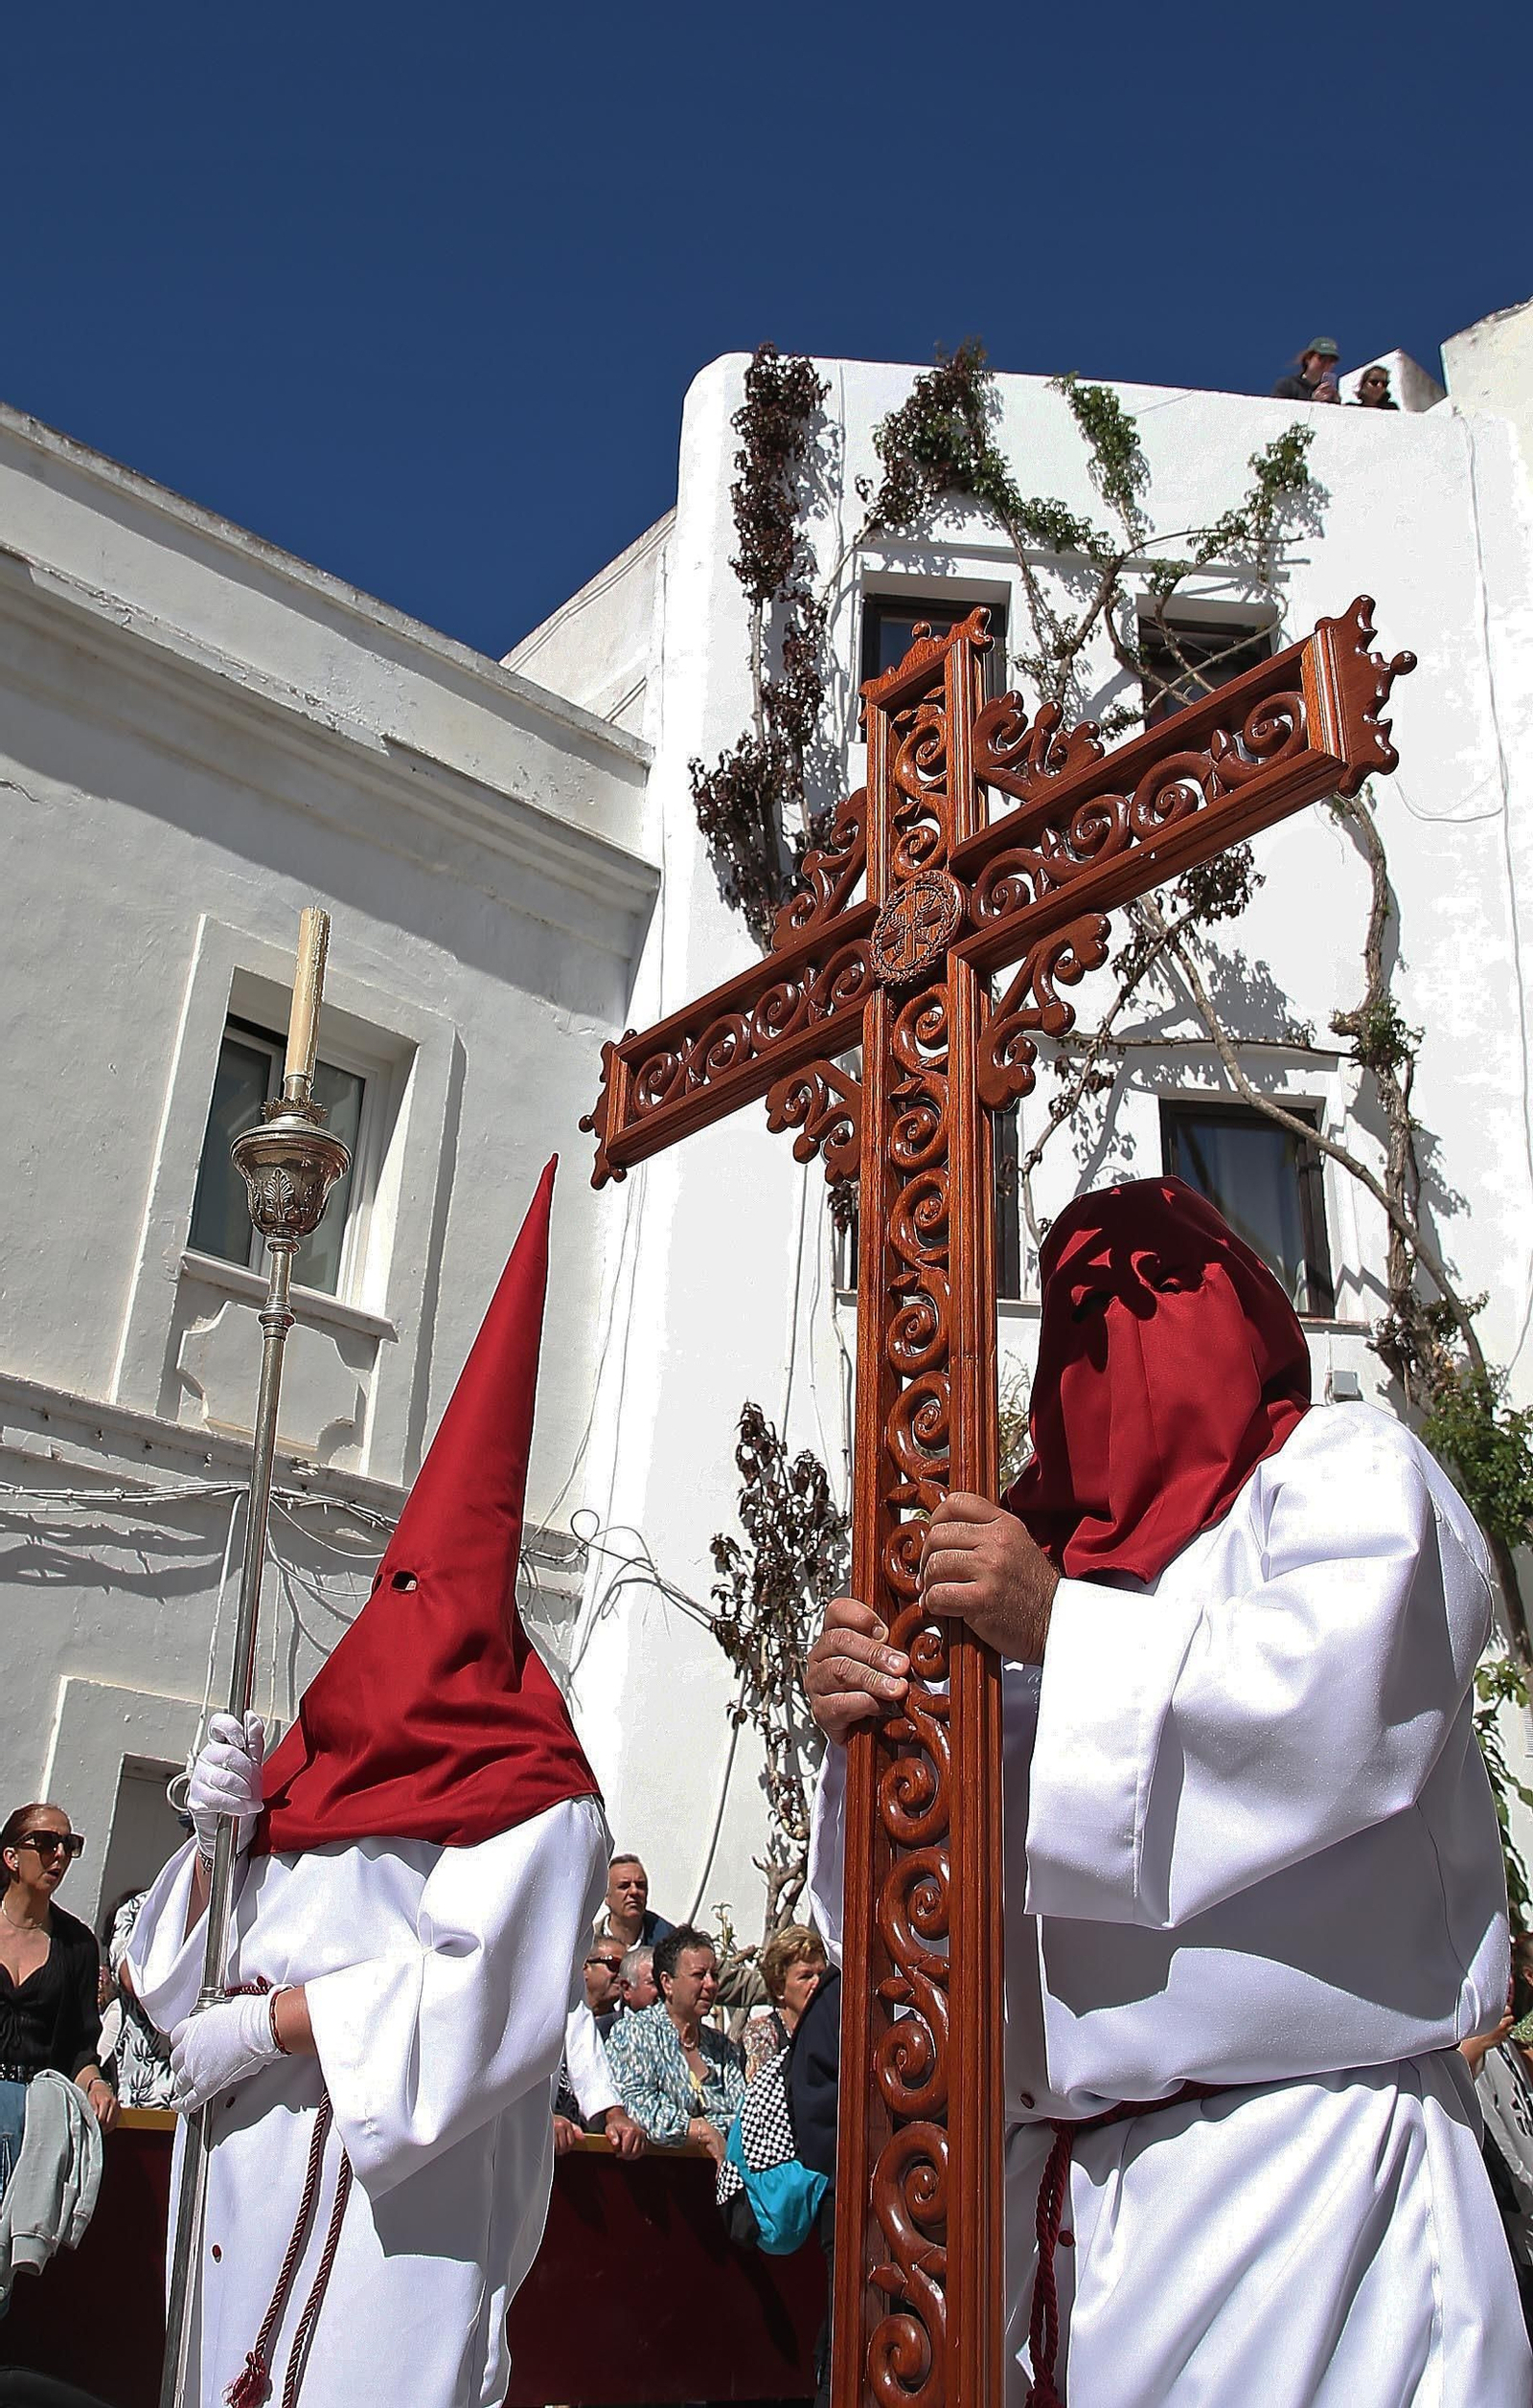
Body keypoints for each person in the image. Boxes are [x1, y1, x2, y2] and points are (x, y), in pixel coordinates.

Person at [806, 1176, 1531, 2406]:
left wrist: (1060, 1625)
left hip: (1307, 2182)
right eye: (1078, 1316)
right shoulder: (1008, 1556)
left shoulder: (1337, 1472)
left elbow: (1344, 1706)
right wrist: (863, 1723)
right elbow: (904, 1902)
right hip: (1049, 2207)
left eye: (1160, 1288)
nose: (1120, 1348)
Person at [127, 1167, 610, 2408]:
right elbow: (165, 1983)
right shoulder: (318, 1756)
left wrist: (284, 2022)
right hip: (239, 2168)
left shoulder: (531, 1790)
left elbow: (482, 2011)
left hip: (390, 2216)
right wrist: (215, 1844)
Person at [1, 1804, 118, 2190]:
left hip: (36, 2118)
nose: (61, 1855)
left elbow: (79, 2046)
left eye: (70, 1844)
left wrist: (97, 2084)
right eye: (48, 1843)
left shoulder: (77, 1944)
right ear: (12, 1857)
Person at [607, 1925, 744, 2165]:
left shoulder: (722, 2048)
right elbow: (640, 2109)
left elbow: (744, 2119)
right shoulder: (635, 2033)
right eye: (699, 1975)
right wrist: (697, 2129)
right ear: (667, 1983)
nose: (711, 1984)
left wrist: (709, 2128)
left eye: (714, 1975)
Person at [743, 1925, 828, 2081]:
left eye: (821, 1974)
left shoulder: (832, 2029)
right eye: (806, 1976)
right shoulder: (763, 2032)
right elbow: (763, 2091)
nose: (818, 1983)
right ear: (778, 1988)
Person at [595, 1854, 674, 1952]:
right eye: (624, 1886)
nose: (634, 1891)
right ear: (606, 1896)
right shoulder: (586, 1944)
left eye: (640, 1885)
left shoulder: (671, 1944)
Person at [1271, 335, 1340, 401]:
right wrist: (1313, 400)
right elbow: (1278, 410)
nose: (1326, 364)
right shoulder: (1288, 385)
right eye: (1322, 358)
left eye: (1331, 361)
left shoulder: (1330, 393)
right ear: (1308, 358)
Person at [582, 1935, 627, 2032]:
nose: (622, 1973)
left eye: (625, 1967)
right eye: (614, 1964)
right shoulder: (565, 2019)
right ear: (585, 1967)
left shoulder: (626, 2027)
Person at [617, 1942, 657, 2013]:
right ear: (627, 1989)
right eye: (654, 1983)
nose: (664, 1989)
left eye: (666, 1981)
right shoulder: (605, 2024)